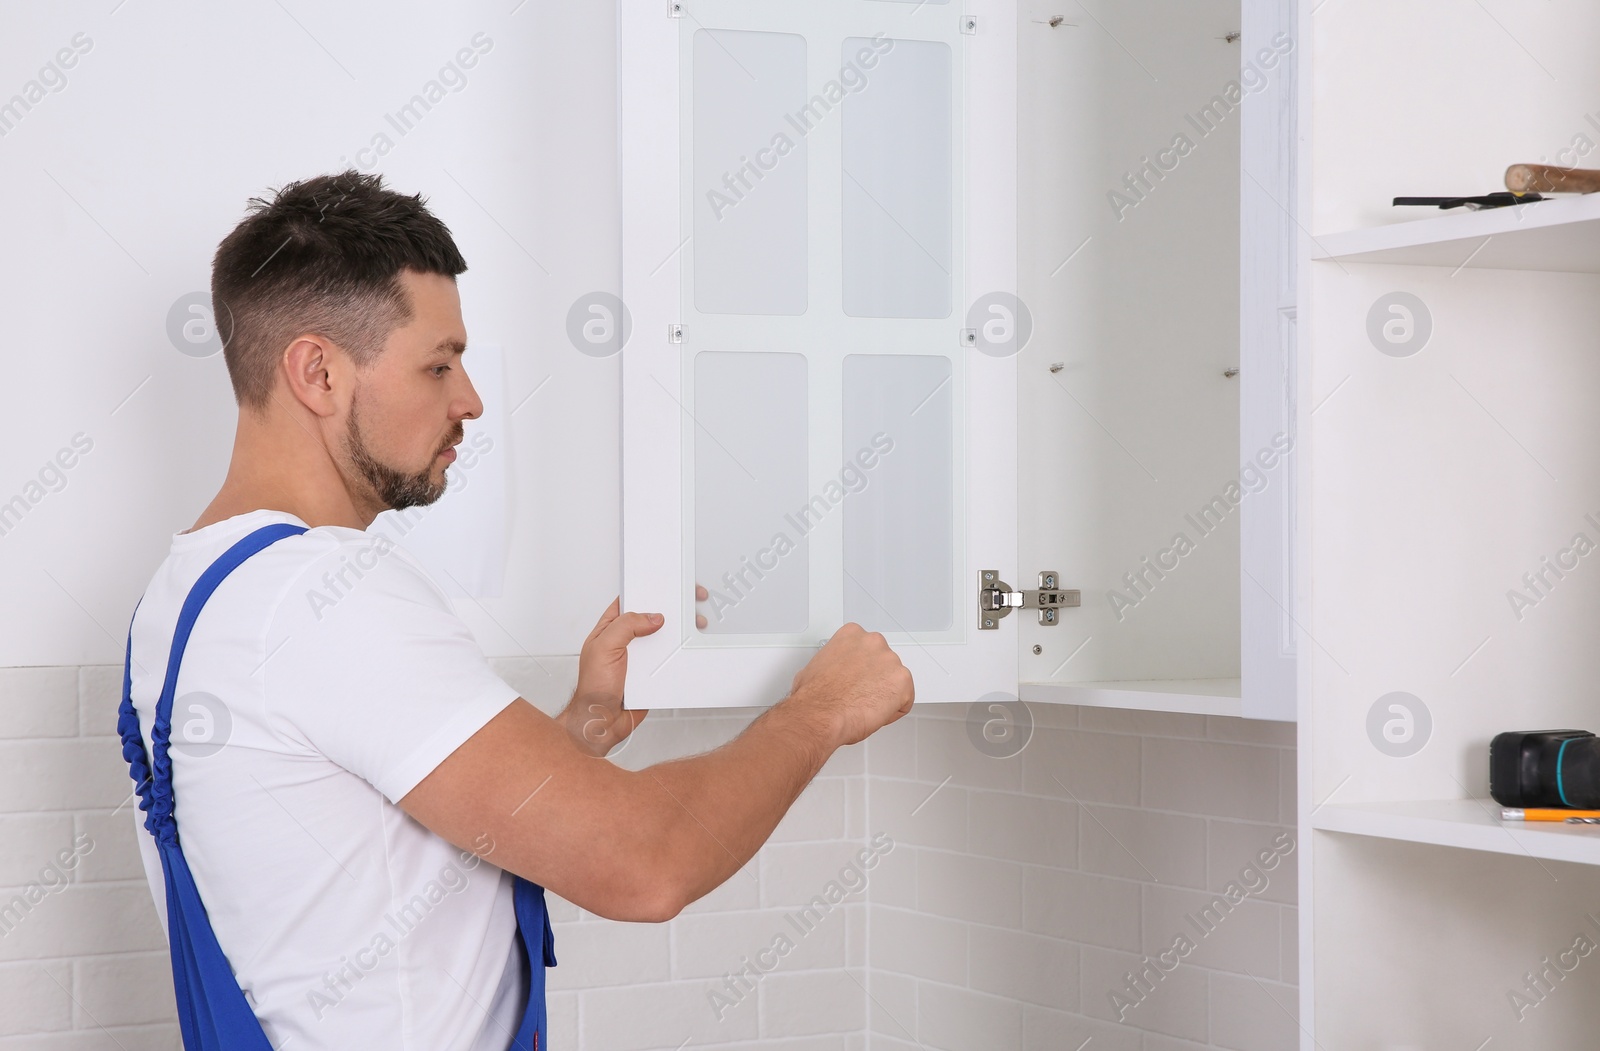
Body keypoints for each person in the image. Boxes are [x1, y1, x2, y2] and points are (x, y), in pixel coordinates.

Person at [121, 169, 914, 1051]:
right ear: (318, 371)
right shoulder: (321, 597)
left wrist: (572, 735)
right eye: (438, 363)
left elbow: (350, 847)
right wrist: (822, 710)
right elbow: (649, 864)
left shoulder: (189, 592)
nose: (470, 399)